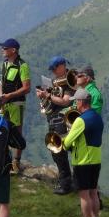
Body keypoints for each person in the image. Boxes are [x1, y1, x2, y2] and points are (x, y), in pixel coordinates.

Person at [63, 88, 104, 217]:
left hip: (82, 162)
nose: (75, 105)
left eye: (76, 102)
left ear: (81, 102)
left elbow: (67, 142)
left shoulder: (80, 120)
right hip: (96, 160)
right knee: (94, 192)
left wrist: (67, 138)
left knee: (84, 194)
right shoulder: (98, 117)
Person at [35, 56, 76, 194]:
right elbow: (53, 99)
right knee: (56, 153)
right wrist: (43, 95)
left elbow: (65, 101)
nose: (53, 72)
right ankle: (67, 182)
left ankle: (68, 185)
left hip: (64, 120)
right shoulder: (56, 81)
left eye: (54, 69)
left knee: (62, 152)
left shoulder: (70, 80)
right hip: (53, 119)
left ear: (62, 66)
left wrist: (48, 96)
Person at [0, 38, 31, 173]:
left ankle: (16, 162)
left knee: (16, 131)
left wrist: (10, 96)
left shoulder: (23, 66)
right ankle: (5, 160)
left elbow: (27, 88)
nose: (2, 50)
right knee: (2, 129)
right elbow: (2, 81)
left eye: (5, 48)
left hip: (17, 103)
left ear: (13, 50)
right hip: (4, 103)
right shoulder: (5, 64)